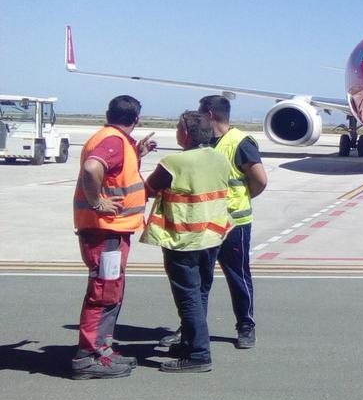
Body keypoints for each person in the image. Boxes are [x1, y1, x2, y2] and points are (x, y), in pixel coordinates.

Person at [70, 95, 156, 379]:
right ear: (137, 118)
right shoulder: (114, 141)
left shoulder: (114, 139)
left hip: (110, 231)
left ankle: (101, 349)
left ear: (109, 113)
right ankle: (89, 357)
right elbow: (92, 168)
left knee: (110, 289)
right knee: (104, 292)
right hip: (105, 230)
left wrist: (138, 153)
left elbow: (113, 173)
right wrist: (97, 202)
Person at [141, 111, 233, 373]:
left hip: (183, 239)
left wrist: (137, 157)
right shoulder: (220, 158)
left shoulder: (174, 162)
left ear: (187, 133)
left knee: (188, 297)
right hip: (213, 235)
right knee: (200, 292)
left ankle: (199, 354)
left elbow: (148, 190)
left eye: (178, 129)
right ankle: (191, 342)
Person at [177, 95, 267, 350]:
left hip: (233, 223)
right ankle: (191, 329)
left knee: (238, 276)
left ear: (209, 113)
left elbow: (259, 180)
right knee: (199, 281)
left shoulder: (239, 142)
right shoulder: (202, 142)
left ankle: (246, 325)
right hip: (204, 223)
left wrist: (241, 199)